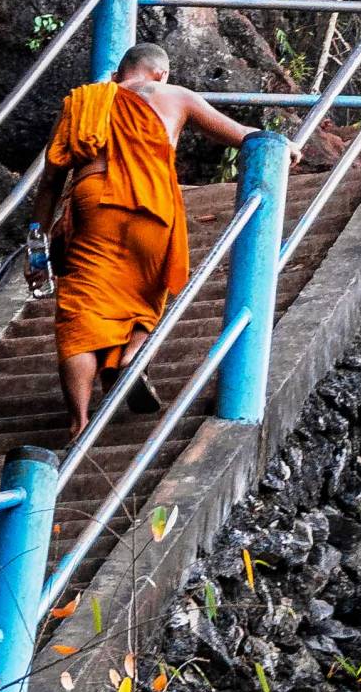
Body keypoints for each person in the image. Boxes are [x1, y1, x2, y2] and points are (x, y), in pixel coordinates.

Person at [33, 42, 261, 438]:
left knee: (81, 313)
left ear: (118, 74)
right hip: (152, 209)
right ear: (161, 73)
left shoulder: (86, 101)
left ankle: (79, 422)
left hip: (93, 203)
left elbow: (51, 180)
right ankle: (133, 354)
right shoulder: (175, 96)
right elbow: (243, 135)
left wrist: (35, 239)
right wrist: (284, 145)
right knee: (146, 295)